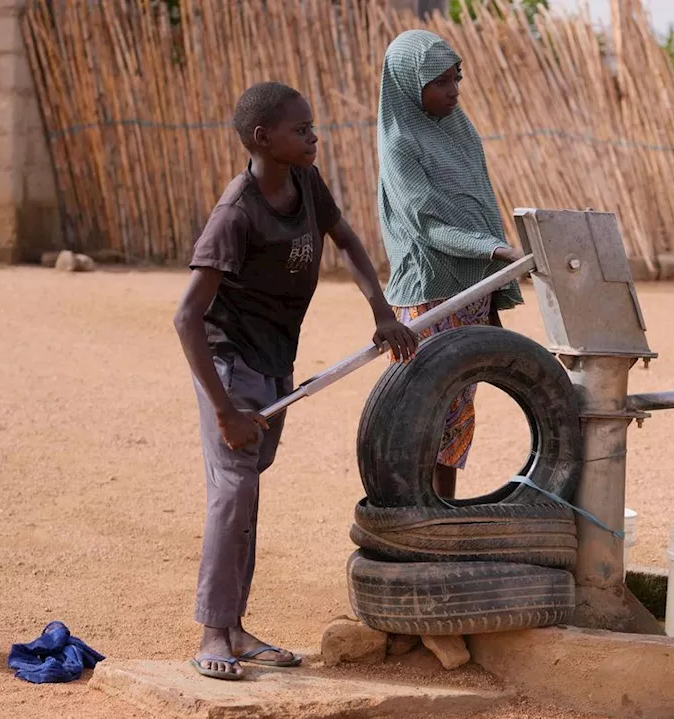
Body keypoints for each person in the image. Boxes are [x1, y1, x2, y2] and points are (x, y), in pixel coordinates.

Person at [174, 81, 418, 680]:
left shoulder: (306, 183)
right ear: (263, 138)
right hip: (229, 367)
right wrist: (226, 411)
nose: (314, 136)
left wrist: (381, 311)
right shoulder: (236, 213)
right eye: (301, 129)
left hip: (275, 366)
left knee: (248, 494)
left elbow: (347, 239)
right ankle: (213, 632)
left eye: (312, 127)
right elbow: (186, 316)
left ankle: (234, 628)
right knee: (233, 493)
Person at [375, 29, 524, 500]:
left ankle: (445, 512)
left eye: (455, 78)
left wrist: (494, 287)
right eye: (438, 82)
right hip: (430, 298)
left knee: (458, 411)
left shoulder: (462, 131)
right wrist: (498, 252)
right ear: (406, 85)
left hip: (472, 293)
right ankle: (412, 515)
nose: (452, 91)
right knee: (423, 410)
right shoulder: (400, 144)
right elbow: (426, 225)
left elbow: (482, 204)